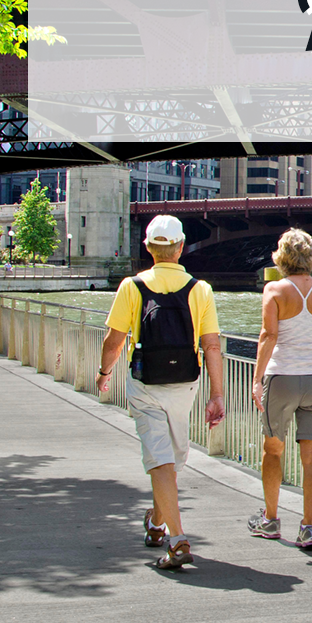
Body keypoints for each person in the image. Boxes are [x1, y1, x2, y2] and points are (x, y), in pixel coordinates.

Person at [96, 215, 224, 570]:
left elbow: (113, 340)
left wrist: (105, 372)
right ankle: (175, 535)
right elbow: (211, 345)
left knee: (163, 458)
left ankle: (158, 520)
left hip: (144, 382)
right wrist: (217, 394)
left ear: (149, 247)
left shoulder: (132, 286)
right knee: (168, 456)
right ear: (181, 247)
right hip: (186, 383)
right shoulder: (201, 289)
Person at [248, 228, 312, 549]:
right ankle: (309, 527)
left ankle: (271, 520)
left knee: (273, 449)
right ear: (311, 257)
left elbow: (268, 337)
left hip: (282, 378)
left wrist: (258, 380)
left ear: (281, 257)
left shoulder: (274, 289)